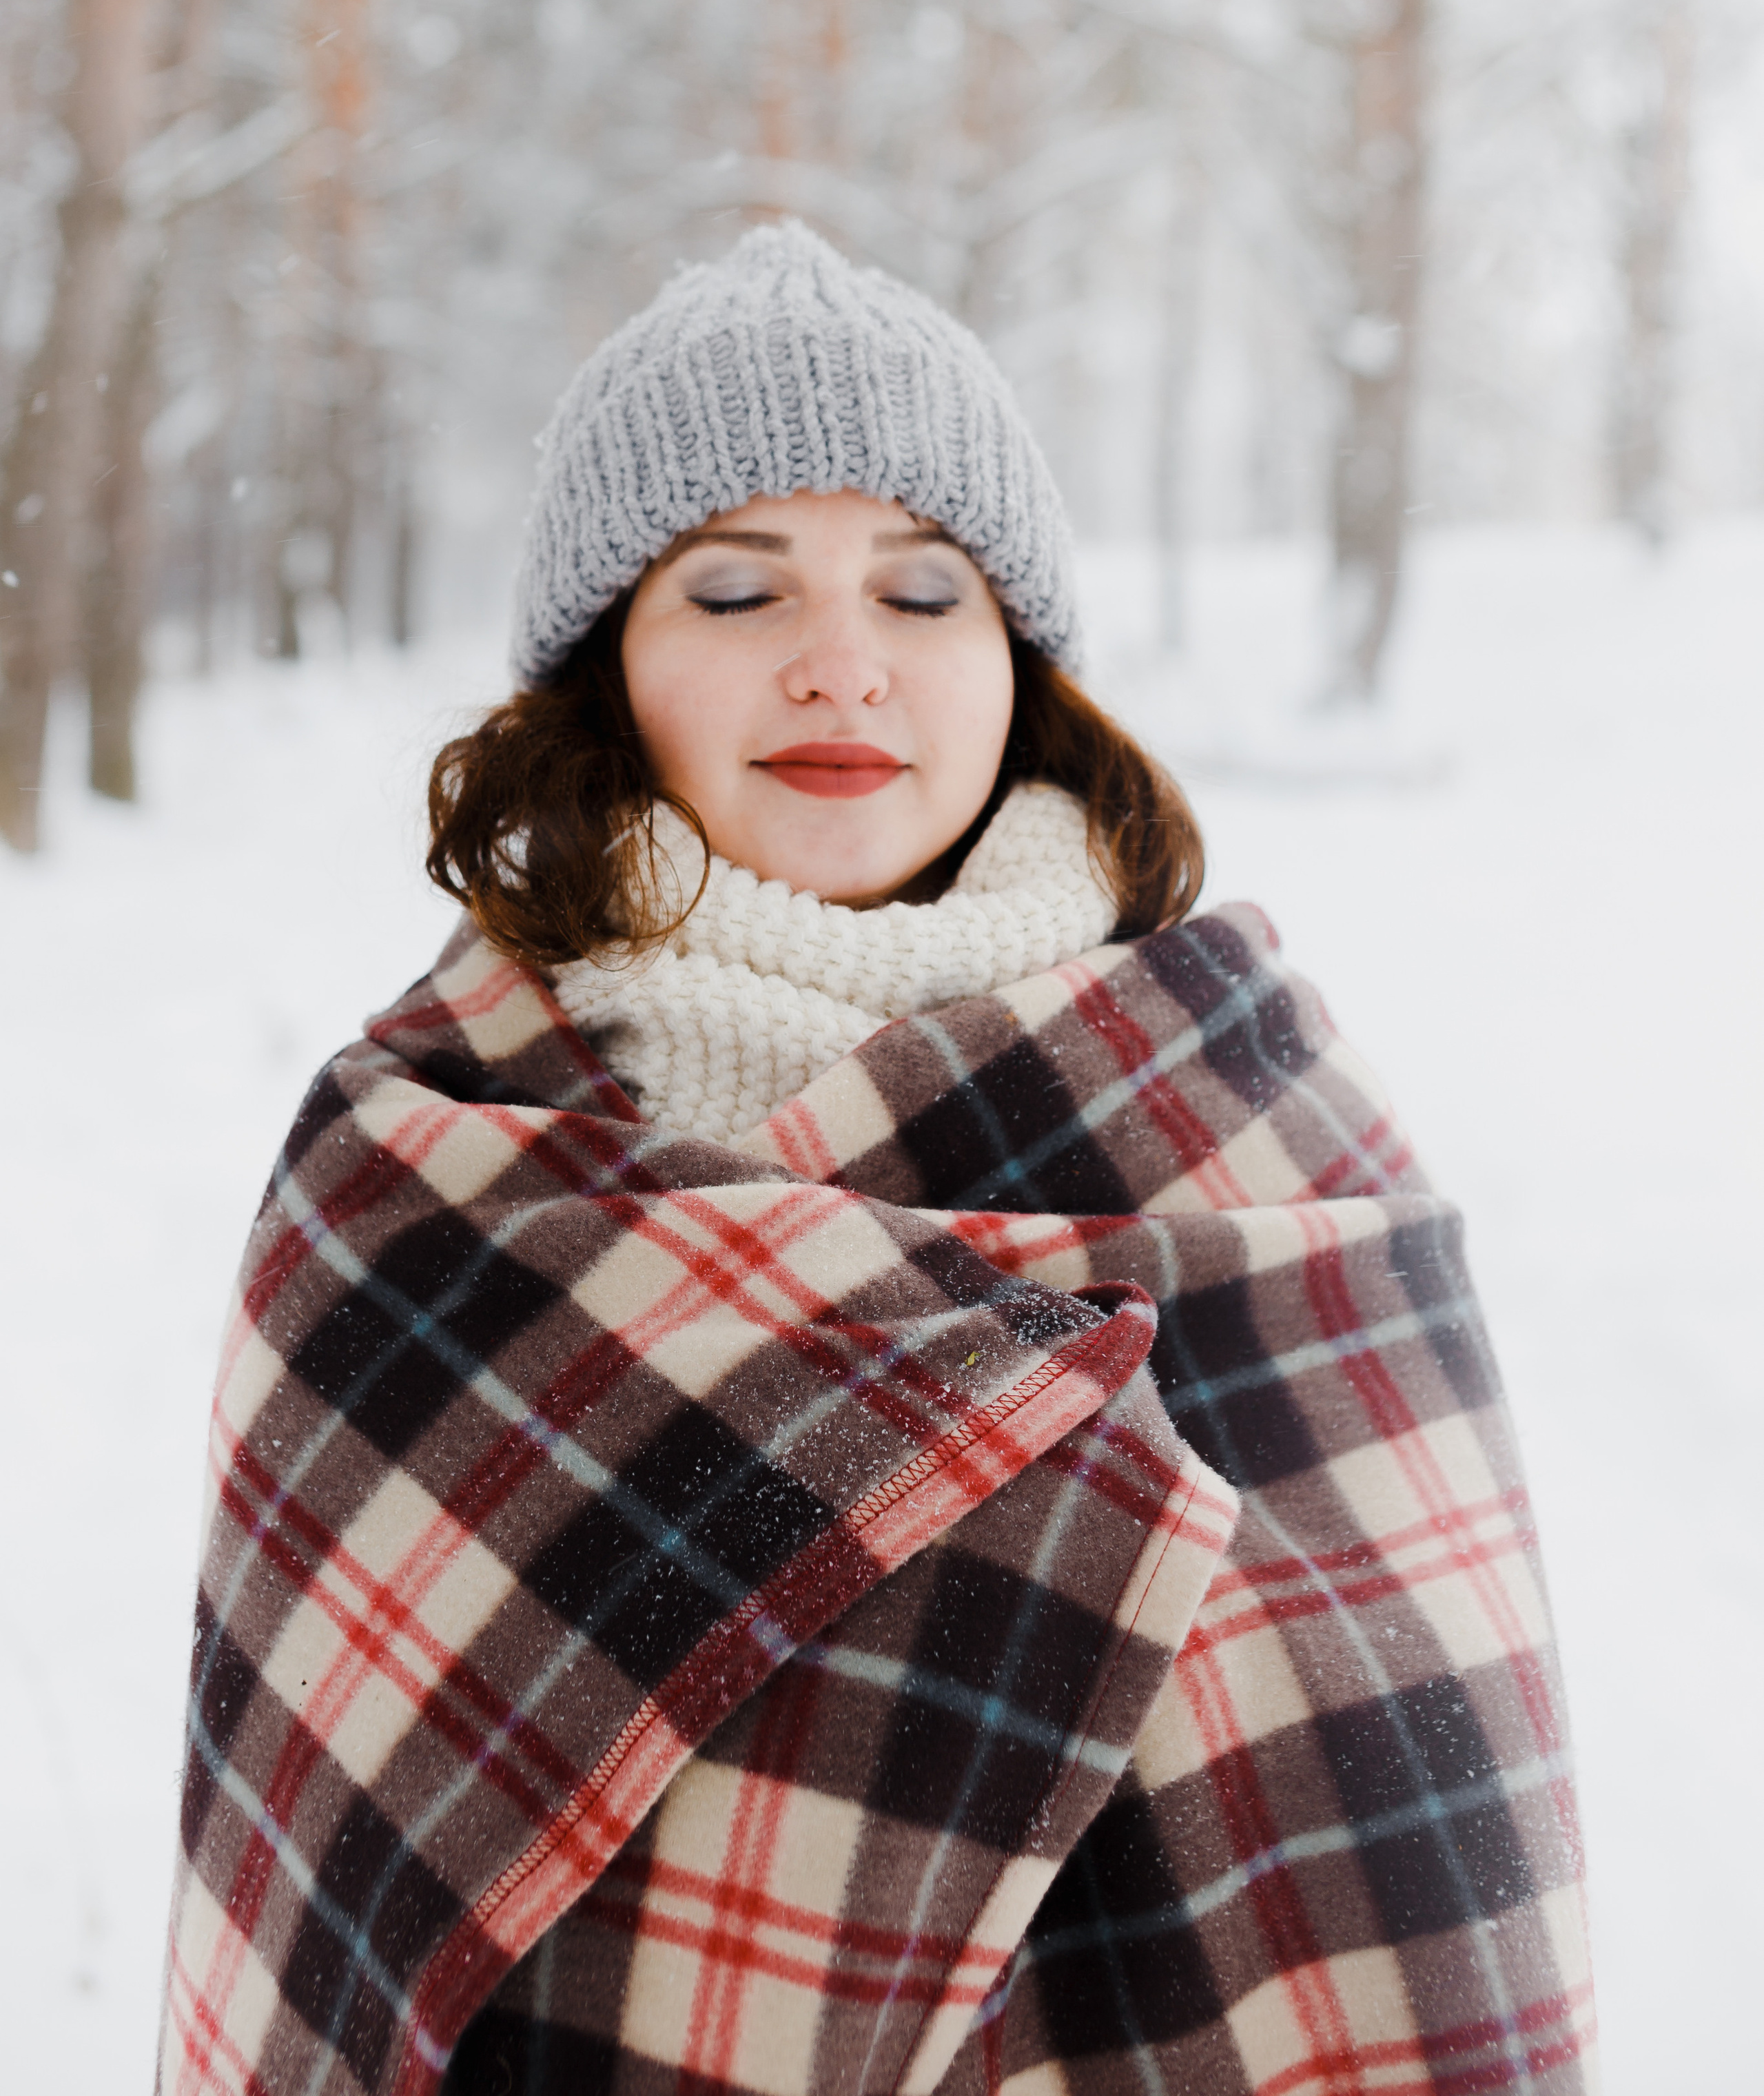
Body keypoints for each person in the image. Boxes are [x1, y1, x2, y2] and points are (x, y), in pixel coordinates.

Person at [158, 223, 1596, 2096]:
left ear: (1020, 665)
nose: (845, 669)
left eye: (925, 597)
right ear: (607, 675)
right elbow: (325, 1882)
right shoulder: (422, 1175)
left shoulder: (1256, 1133)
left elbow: (1418, 1833)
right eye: (739, 597)